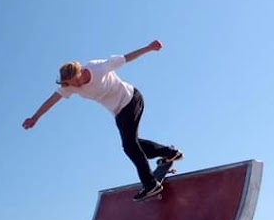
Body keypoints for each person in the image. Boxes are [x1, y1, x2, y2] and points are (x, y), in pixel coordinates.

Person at [22, 40, 181, 201]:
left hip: (131, 99)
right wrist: (35, 117)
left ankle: (150, 184)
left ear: (81, 71)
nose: (76, 86)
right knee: (133, 144)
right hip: (118, 112)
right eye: (71, 84)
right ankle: (169, 152)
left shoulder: (98, 67)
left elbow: (126, 58)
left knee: (129, 146)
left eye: (76, 81)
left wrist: (149, 48)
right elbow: (52, 99)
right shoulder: (69, 86)